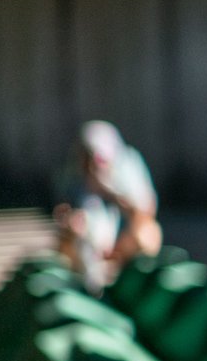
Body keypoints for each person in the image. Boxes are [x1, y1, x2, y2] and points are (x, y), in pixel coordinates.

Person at [53, 121, 162, 291]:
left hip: (122, 242)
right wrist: (69, 222)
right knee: (67, 237)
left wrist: (107, 191)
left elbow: (145, 212)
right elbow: (63, 209)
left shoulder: (127, 166)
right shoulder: (74, 174)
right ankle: (85, 284)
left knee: (146, 233)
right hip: (88, 244)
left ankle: (136, 282)